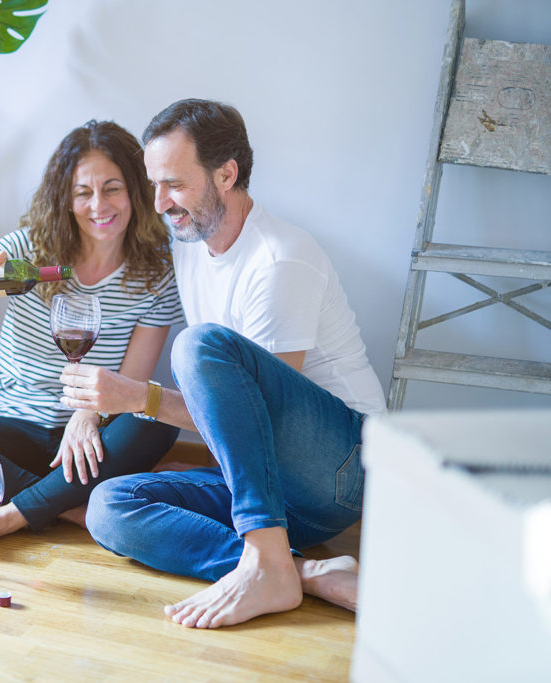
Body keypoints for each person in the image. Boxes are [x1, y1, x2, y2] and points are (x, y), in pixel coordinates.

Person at [59, 99, 386, 629]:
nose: (161, 203)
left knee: (197, 346)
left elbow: (264, 423)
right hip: (273, 490)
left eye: (174, 184)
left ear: (227, 174)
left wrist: (139, 399)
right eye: (154, 185)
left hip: (343, 466)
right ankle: (295, 571)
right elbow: (101, 236)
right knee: (110, 506)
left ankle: (266, 558)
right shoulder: (189, 242)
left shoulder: (280, 259)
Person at [0, 120, 184, 552]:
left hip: (93, 442)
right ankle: (71, 510)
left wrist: (87, 418)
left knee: (159, 416)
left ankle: (14, 513)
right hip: (18, 431)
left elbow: (132, 383)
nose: (98, 205)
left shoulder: (157, 273)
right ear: (66, 199)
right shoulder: (30, 249)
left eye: (112, 188)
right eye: (83, 192)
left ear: (135, 191)